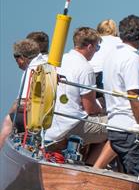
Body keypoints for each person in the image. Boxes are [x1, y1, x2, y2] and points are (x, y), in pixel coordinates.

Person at [44, 28, 112, 166]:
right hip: (70, 126)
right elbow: (90, 109)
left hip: (51, 124)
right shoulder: (86, 69)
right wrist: (103, 105)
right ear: (89, 46)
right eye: (97, 47)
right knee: (120, 128)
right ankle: (92, 167)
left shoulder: (60, 60)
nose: (96, 51)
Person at [103, 15, 139, 175]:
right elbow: (133, 95)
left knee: (125, 174)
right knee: (136, 176)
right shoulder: (132, 59)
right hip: (131, 129)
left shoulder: (113, 55)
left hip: (115, 125)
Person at [0, 38, 47, 146]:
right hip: (49, 112)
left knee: (9, 120)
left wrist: (10, 112)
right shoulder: (45, 61)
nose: (18, 65)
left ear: (21, 58)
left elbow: (23, 101)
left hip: (39, 116)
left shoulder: (31, 69)